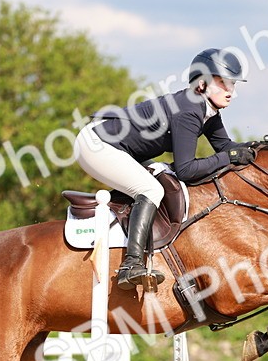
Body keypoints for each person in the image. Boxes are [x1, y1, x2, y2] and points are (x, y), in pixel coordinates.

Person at [74, 48, 257, 289]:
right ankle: (131, 265)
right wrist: (228, 157)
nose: (231, 90)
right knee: (151, 190)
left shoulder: (207, 109)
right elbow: (186, 170)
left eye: (232, 83)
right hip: (96, 144)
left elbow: (225, 146)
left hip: (119, 147)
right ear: (202, 83)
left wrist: (261, 150)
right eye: (223, 82)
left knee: (158, 179)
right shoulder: (189, 110)